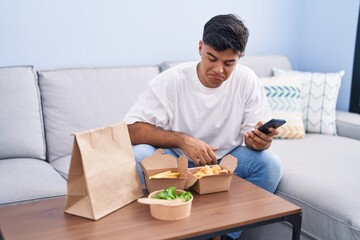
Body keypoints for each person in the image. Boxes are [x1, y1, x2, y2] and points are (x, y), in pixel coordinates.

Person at [123, 14, 282, 239]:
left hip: (225, 162)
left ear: (240, 57)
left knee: (270, 165)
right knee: (138, 155)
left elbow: (250, 139)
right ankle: (166, 231)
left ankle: (225, 234)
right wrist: (182, 140)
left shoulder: (247, 80)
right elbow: (130, 130)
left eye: (229, 63)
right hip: (176, 162)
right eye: (212, 58)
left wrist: (260, 142)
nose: (219, 70)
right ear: (200, 48)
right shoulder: (172, 80)